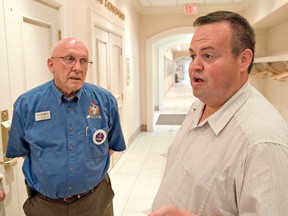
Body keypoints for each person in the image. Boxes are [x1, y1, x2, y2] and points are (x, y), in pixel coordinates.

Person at [150, 10, 288, 216]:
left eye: (208, 56)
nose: (194, 65)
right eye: (192, 55)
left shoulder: (262, 143)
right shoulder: (199, 106)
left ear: (244, 59)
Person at [6, 37, 126, 216]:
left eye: (84, 61)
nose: (78, 67)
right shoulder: (26, 105)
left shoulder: (105, 101)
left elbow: (111, 146)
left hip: (95, 201)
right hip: (45, 206)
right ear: (51, 65)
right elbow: (23, 151)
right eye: (69, 59)